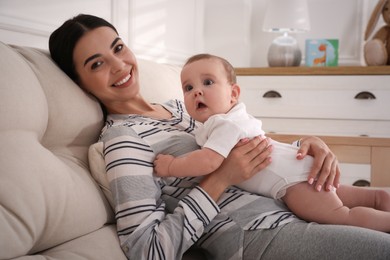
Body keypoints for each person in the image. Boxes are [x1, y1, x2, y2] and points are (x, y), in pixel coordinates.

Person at [49, 14, 390, 260]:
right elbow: (146, 251)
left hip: (295, 200)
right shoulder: (123, 139)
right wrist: (221, 178)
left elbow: (246, 140)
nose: (119, 65)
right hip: (262, 234)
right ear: (79, 83)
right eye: (97, 64)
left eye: (118, 48)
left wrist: (305, 146)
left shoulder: (181, 107)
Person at [153, 53, 390, 232]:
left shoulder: (224, 124)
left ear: (233, 94)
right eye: (188, 87)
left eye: (208, 82)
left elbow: (208, 162)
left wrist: (171, 166)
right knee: (343, 195)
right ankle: (379, 198)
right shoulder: (231, 120)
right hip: (296, 167)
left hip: (292, 183)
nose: (197, 92)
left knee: (342, 216)